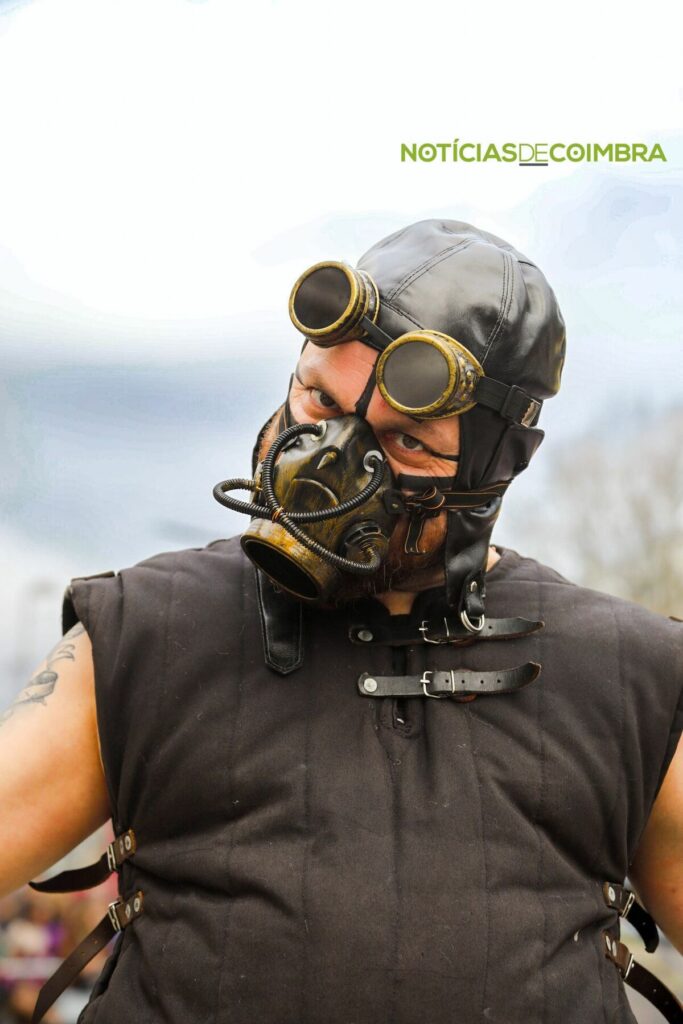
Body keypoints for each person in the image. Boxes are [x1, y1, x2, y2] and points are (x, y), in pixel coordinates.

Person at [0, 220, 681, 1024]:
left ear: (491, 472)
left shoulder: (624, 674)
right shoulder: (146, 634)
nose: (326, 458)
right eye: (318, 399)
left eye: (405, 441)